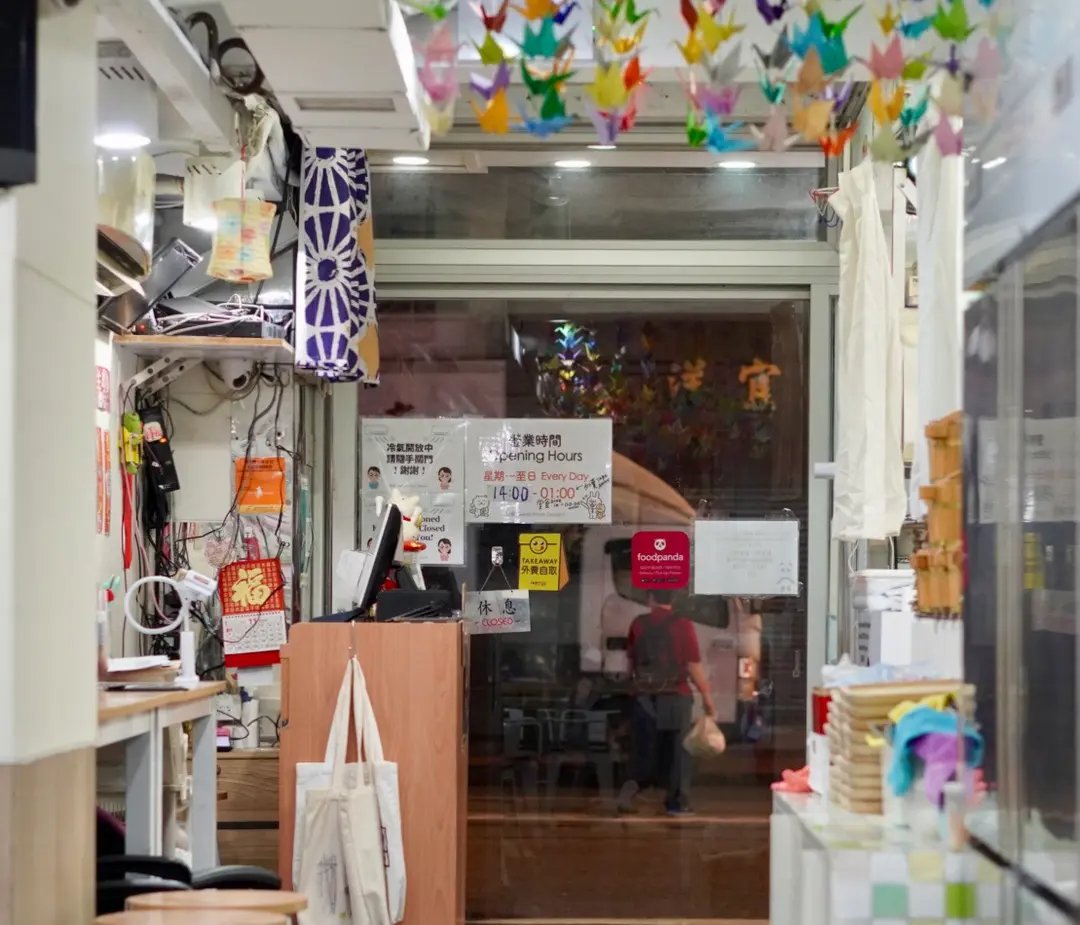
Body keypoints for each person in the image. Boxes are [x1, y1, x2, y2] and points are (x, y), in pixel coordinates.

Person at [618, 588, 716, 816]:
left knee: (644, 750)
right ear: (673, 599)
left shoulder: (638, 624)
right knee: (678, 752)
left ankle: (630, 792)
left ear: (650, 598)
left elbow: (631, 663)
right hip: (675, 696)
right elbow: (693, 666)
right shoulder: (683, 625)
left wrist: (633, 690)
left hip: (644, 696)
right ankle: (677, 802)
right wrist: (707, 699)